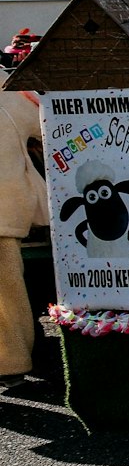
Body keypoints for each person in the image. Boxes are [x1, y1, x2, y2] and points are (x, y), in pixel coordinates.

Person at [0, 87, 45, 387]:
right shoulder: (9, 95)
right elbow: (47, 126)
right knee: (8, 291)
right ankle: (12, 363)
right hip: (5, 208)